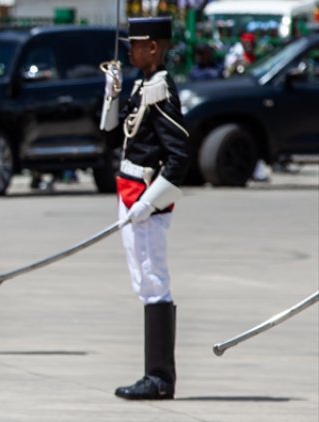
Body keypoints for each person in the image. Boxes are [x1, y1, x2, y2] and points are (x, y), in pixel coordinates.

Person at [100, 17, 191, 400]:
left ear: (153, 48)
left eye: (135, 45)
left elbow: (179, 156)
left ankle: (159, 377)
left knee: (154, 281)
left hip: (145, 198)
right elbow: (111, 132)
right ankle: (153, 374)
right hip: (130, 193)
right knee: (143, 281)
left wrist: (149, 202)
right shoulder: (142, 87)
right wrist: (112, 93)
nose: (129, 51)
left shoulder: (161, 91)